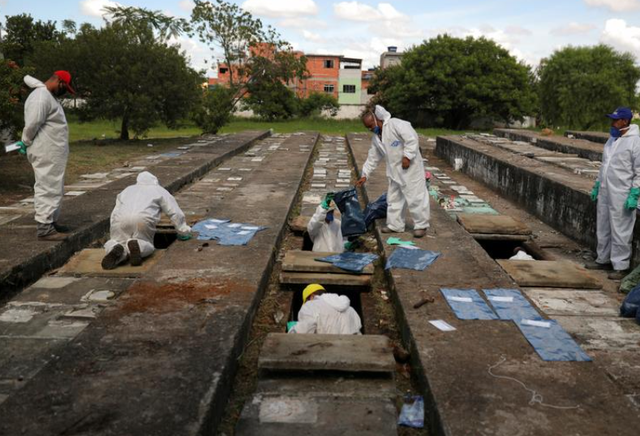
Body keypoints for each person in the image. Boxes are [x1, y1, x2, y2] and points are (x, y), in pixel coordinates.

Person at [356, 105, 430, 238]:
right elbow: (373, 157)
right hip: (394, 171)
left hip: (410, 169)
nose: (370, 129)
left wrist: (407, 156)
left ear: (377, 119)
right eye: (368, 128)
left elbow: (412, 138)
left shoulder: (396, 125)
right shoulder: (377, 138)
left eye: (371, 125)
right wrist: (365, 174)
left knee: (416, 197)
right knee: (394, 199)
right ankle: (395, 225)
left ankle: (421, 225)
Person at [19, 71, 75, 240]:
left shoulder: (47, 96)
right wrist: (25, 141)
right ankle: (44, 228)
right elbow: (32, 124)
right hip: (45, 150)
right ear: (58, 80)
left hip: (52, 151)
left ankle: (50, 221)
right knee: (47, 186)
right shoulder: (41, 96)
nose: (64, 91)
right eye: (64, 87)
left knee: (54, 186)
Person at [586, 107, 640, 280]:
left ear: (625, 121)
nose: (612, 123)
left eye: (615, 120)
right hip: (605, 190)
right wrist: (597, 185)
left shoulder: (635, 142)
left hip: (622, 192)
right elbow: (605, 166)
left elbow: (639, 171)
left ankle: (620, 265)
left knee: (620, 229)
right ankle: (602, 259)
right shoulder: (612, 140)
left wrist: (635, 193)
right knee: (603, 225)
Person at [101, 171, 192, 270]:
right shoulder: (159, 190)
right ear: (155, 181)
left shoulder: (127, 190)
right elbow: (174, 211)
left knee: (115, 241)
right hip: (142, 220)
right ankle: (137, 247)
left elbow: (115, 211)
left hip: (120, 219)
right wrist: (182, 229)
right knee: (146, 243)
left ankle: (117, 249)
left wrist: (113, 231)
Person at [288, 284, 362, 335]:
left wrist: (292, 330)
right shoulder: (350, 309)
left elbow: (303, 332)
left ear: (312, 296)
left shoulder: (310, 305)